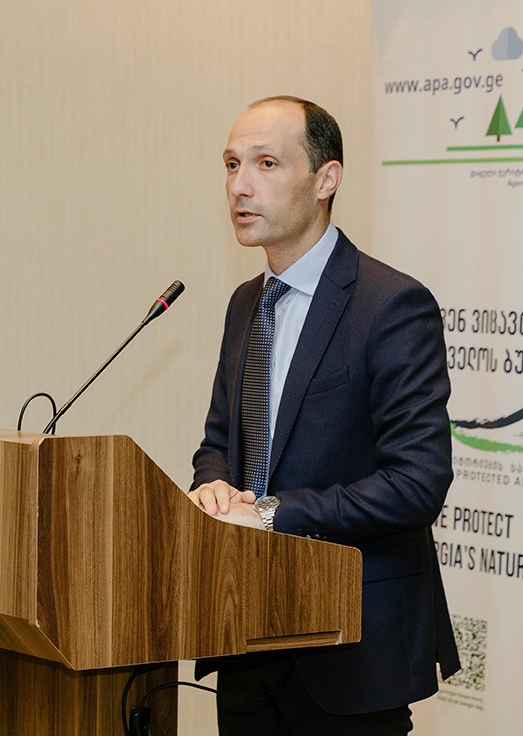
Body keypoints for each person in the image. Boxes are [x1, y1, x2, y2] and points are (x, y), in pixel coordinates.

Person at [188, 97, 459, 734]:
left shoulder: (391, 305)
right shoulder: (245, 303)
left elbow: (417, 483)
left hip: (351, 648)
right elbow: (220, 439)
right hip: (246, 635)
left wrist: (272, 513)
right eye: (231, 164)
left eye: (266, 164)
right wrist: (213, 485)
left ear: (326, 179)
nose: (240, 185)